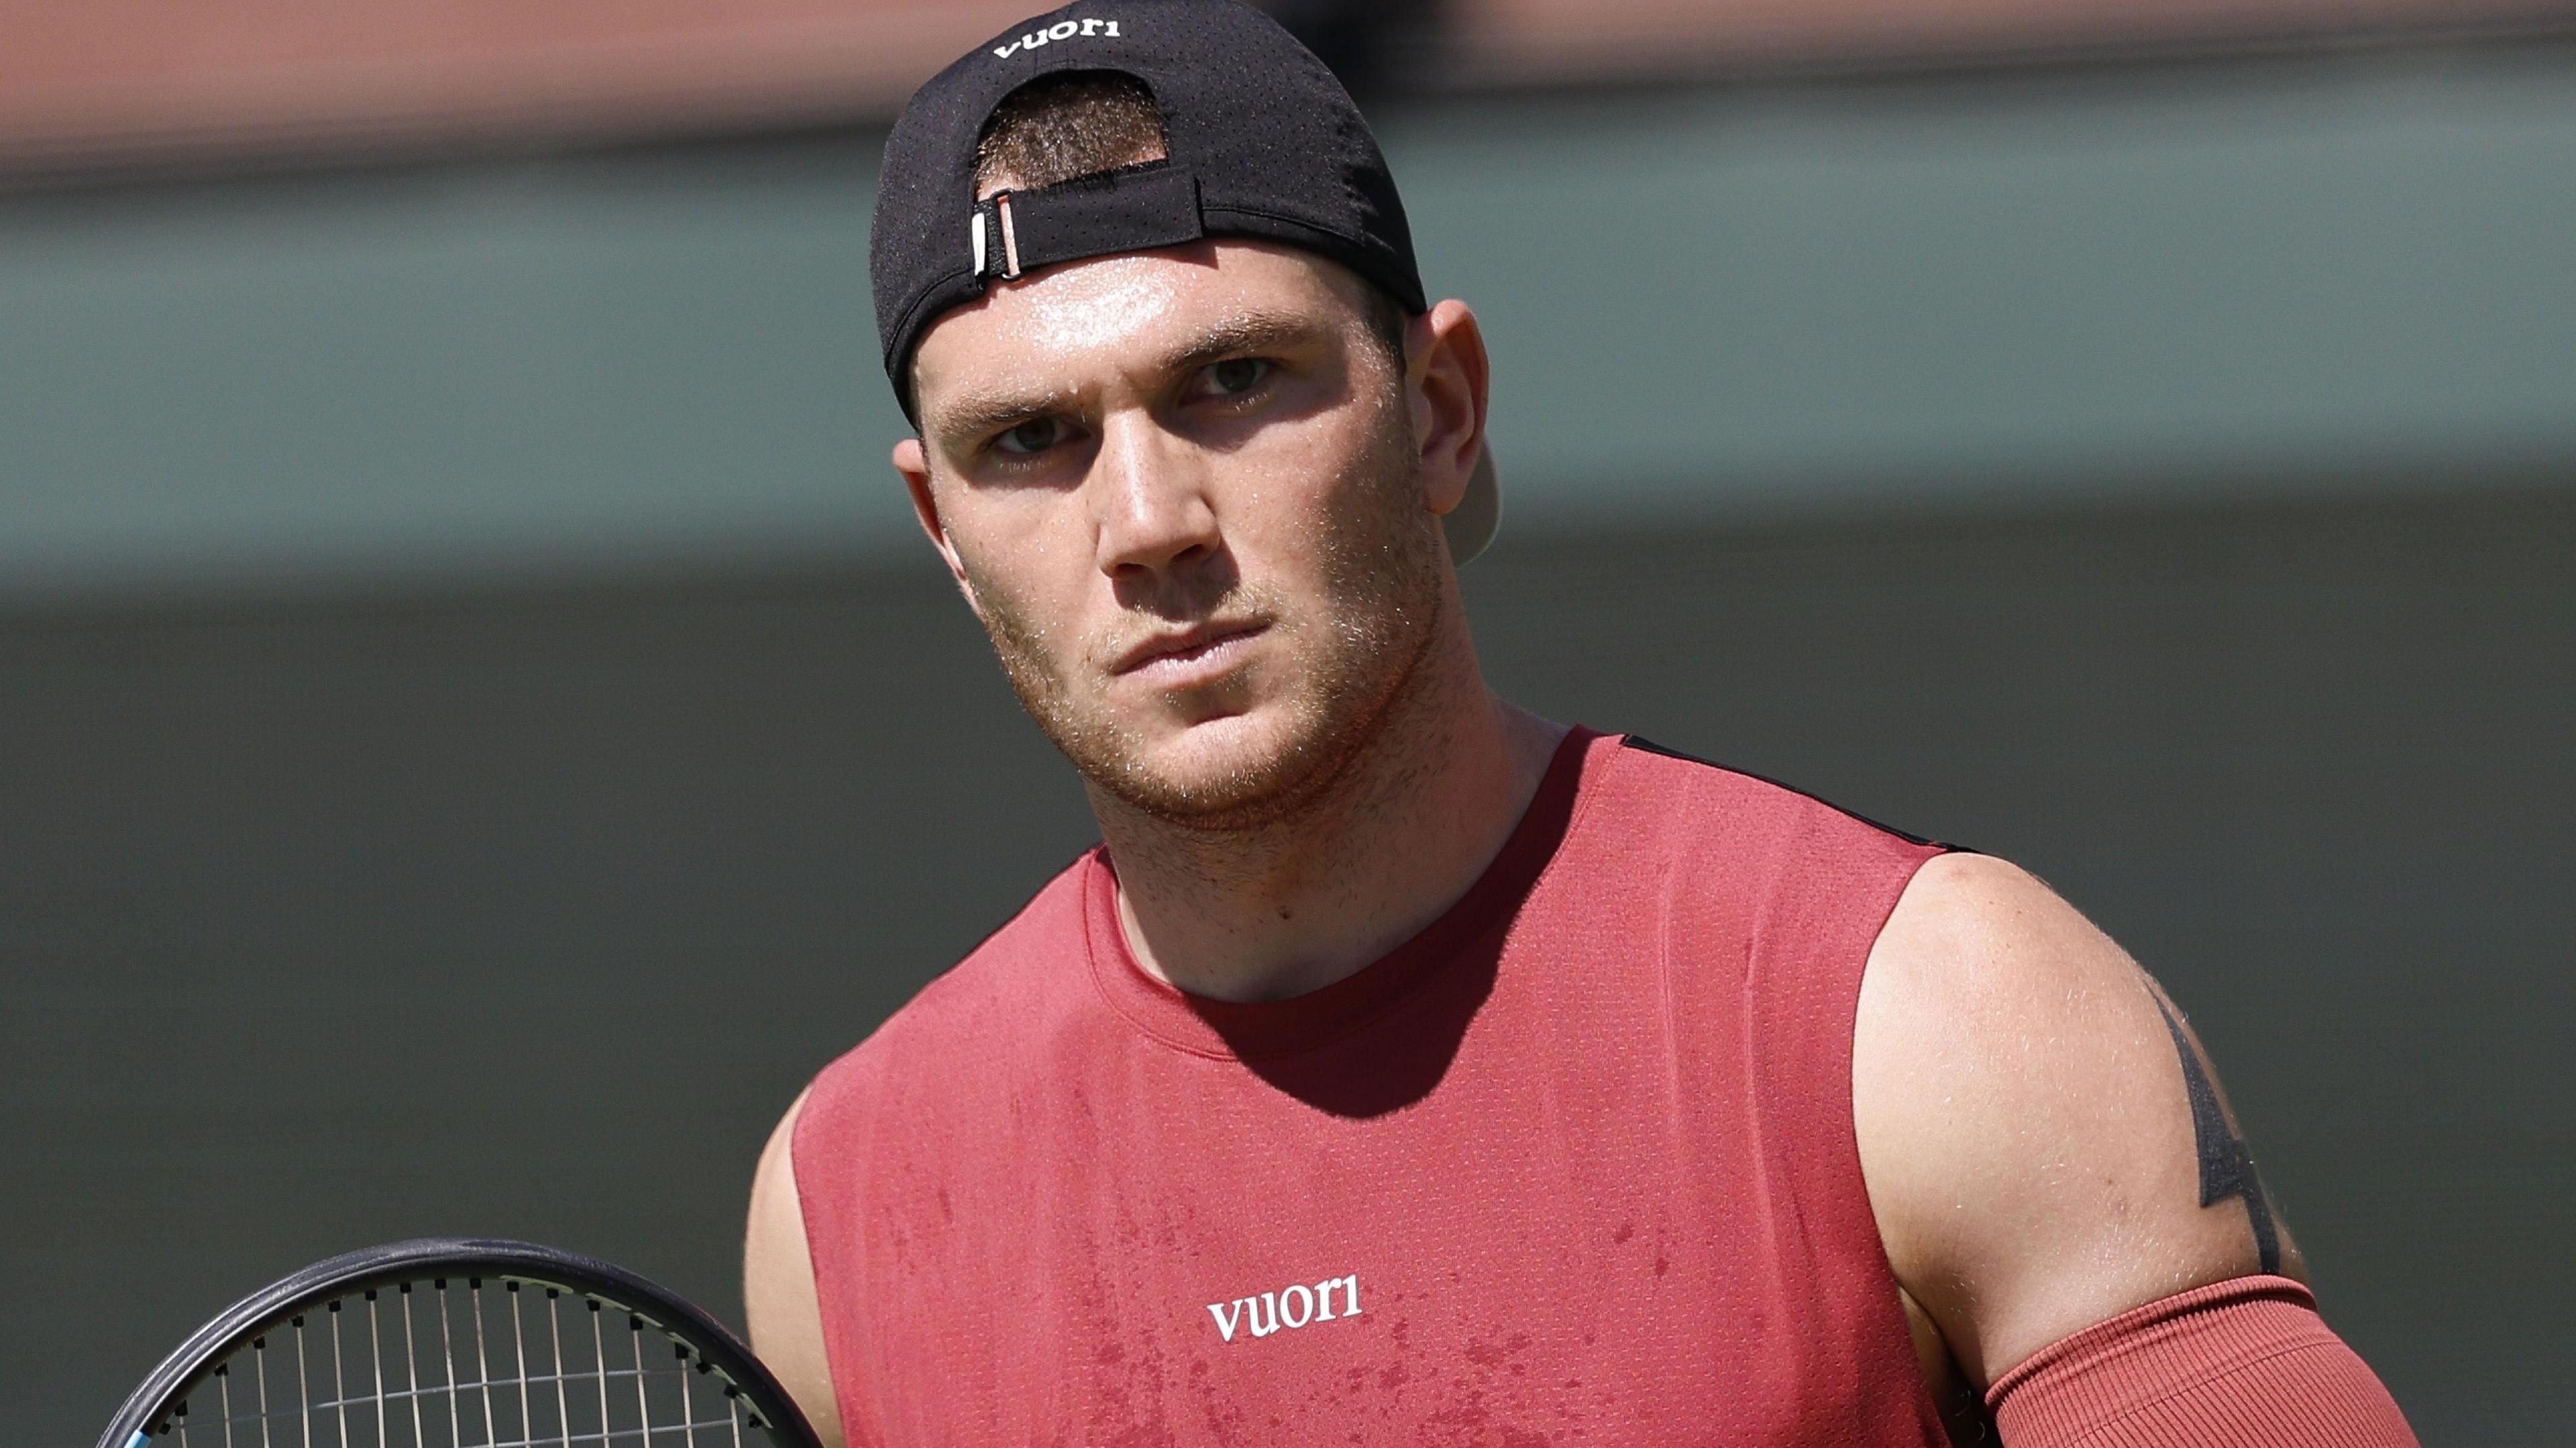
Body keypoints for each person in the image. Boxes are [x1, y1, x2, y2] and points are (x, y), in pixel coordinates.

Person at [743, 3, 2418, 1442]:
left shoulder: (1933, 1009)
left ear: (1442, 413)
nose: (1148, 523)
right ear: (942, 528)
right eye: (1029, 440)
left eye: (1234, 381)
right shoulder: (848, 1205)